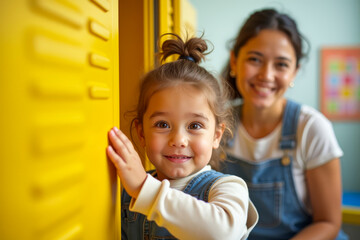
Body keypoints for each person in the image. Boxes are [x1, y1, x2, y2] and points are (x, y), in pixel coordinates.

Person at [106, 33, 258, 240]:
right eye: (162, 124)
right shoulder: (126, 193)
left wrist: (144, 189)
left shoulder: (227, 187)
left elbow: (223, 234)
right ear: (141, 133)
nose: (178, 139)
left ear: (216, 135)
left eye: (194, 125)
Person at [221, 8, 348, 240]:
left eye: (281, 64)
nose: (266, 75)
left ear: (294, 72)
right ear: (234, 61)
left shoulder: (311, 128)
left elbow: (328, 222)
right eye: (255, 59)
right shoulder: (216, 125)